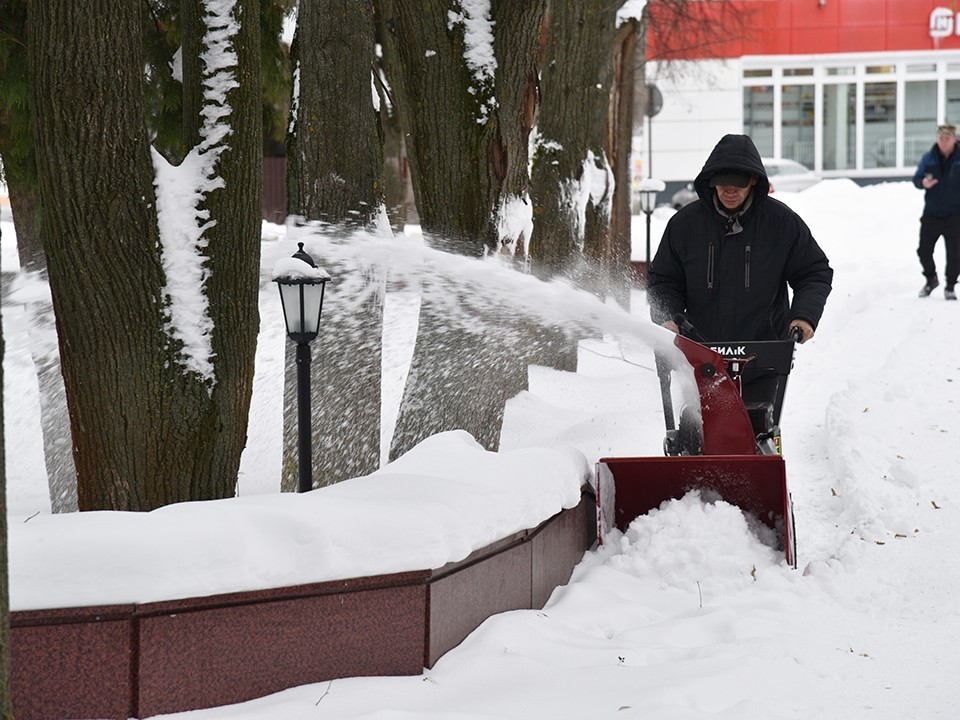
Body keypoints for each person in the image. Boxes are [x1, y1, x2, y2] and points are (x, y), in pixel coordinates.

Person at [647, 134, 833, 413]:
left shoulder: (781, 224)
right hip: (701, 359)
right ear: (711, 181)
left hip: (763, 355)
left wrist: (803, 316)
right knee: (699, 432)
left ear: (754, 182)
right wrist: (667, 318)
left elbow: (813, 272)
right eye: (723, 183)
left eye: (739, 183)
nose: (729, 190)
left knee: (756, 430)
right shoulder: (685, 225)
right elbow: (664, 281)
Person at [912, 123, 960, 300]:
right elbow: (917, 178)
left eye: (947, 138)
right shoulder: (929, 158)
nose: (943, 141)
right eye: (941, 138)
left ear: (954, 139)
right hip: (932, 213)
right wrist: (923, 183)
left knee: (954, 254)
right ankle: (931, 278)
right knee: (923, 251)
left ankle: (950, 285)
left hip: (955, 214)